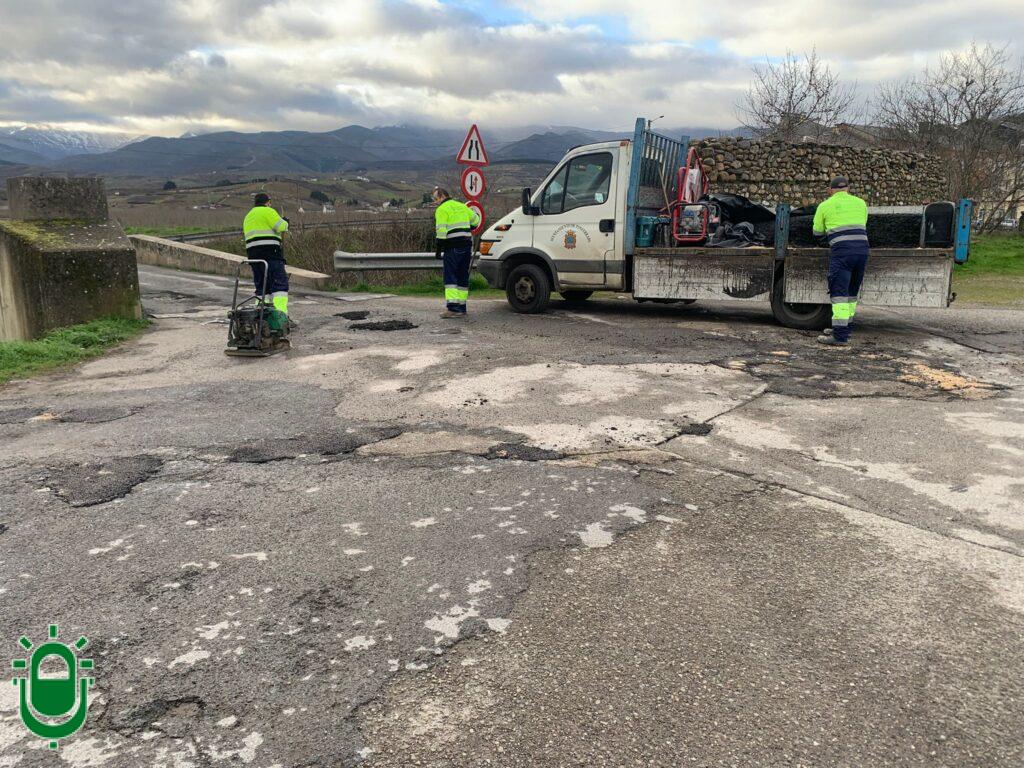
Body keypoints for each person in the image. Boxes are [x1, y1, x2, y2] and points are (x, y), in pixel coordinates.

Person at [812, 176, 869, 347]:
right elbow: (863, 223)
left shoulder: (825, 205)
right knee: (851, 292)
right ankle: (845, 327)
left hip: (842, 253)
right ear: (848, 189)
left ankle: (839, 336)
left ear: (830, 190)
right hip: (862, 251)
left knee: (839, 294)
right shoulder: (861, 203)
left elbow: (817, 231)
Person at [243, 192, 291, 329]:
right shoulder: (268, 211)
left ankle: (260, 320)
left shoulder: (248, 216)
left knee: (262, 288)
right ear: (267, 202)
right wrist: (286, 222)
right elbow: (281, 227)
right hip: (271, 254)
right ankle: (281, 318)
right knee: (279, 286)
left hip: (253, 256)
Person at [432, 187, 480, 318]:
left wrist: (438, 250)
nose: (435, 201)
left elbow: (441, 232)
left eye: (435, 198)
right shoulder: (462, 206)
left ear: (442, 196)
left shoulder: (441, 209)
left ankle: (452, 308)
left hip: (452, 246)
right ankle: (462, 307)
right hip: (466, 246)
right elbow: (476, 221)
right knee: (462, 275)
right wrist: (468, 228)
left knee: (450, 276)